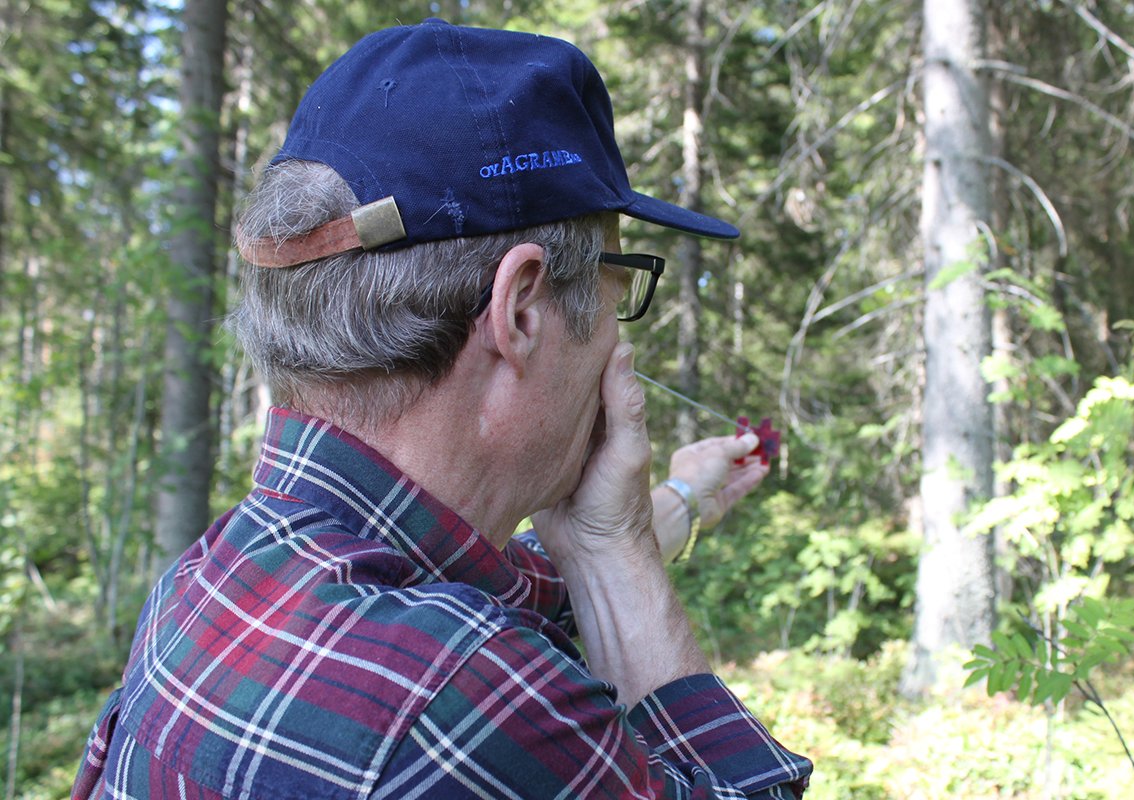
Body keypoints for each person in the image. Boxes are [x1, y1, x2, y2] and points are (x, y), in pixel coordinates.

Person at [72, 19, 811, 800]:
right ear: (521, 311)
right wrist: (617, 556)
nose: (615, 350)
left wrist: (676, 500)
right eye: (617, 284)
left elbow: (533, 582)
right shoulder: (459, 695)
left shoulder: (213, 579)